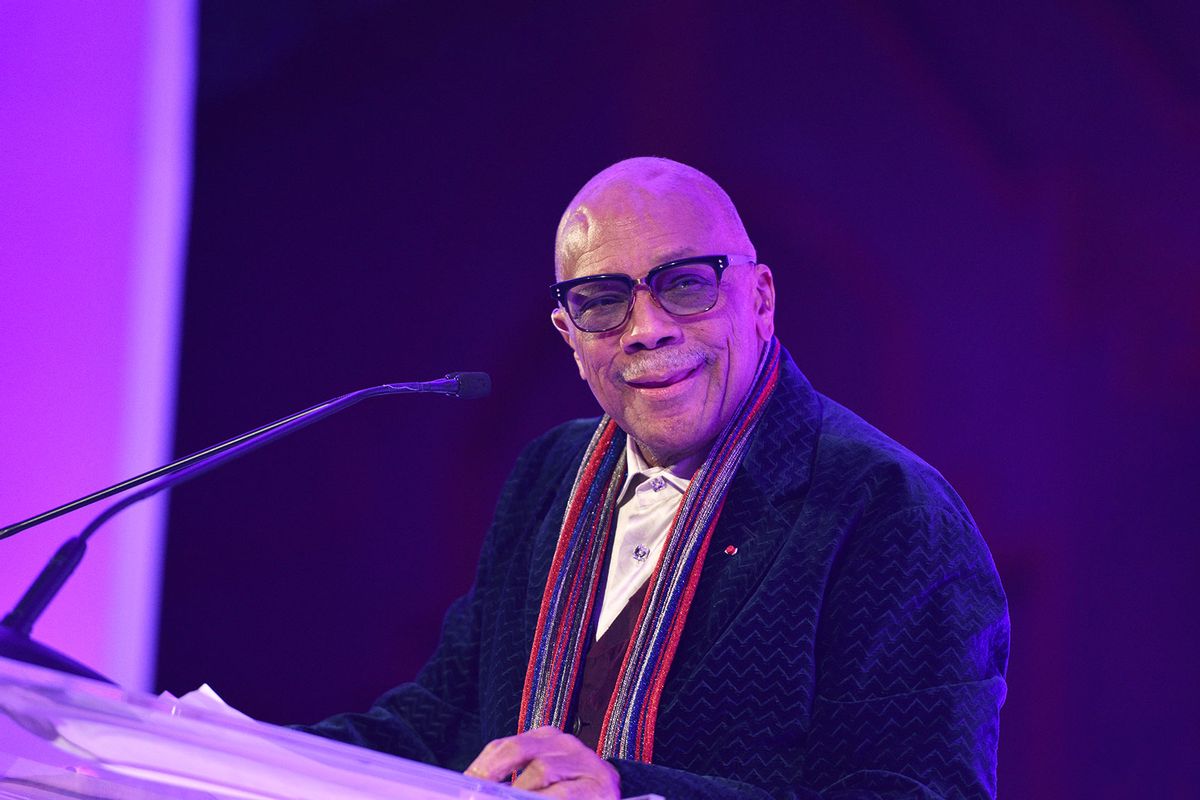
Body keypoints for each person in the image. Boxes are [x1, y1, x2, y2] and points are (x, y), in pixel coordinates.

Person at [301, 157, 1009, 799]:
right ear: (568, 337)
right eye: (603, 300)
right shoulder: (549, 477)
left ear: (760, 298)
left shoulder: (889, 510)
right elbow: (439, 724)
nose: (646, 329)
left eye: (686, 284)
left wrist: (625, 794)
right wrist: (227, 753)